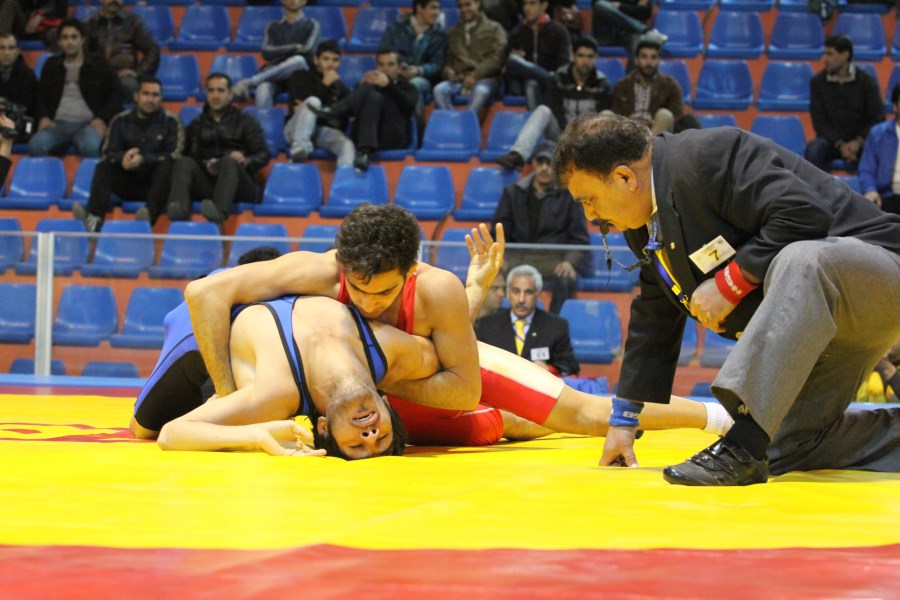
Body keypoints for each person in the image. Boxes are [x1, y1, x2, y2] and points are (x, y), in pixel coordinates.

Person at [555, 113, 900, 485]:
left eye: (589, 199)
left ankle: (741, 448)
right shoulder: (643, 224)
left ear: (625, 177)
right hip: (829, 324)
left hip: (877, 275)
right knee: (786, 445)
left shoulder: (708, 154)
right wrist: (624, 421)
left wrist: (730, 284)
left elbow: (805, 212)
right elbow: (655, 317)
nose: (590, 215)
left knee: (803, 259)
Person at [139, 253, 732, 457]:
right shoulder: (290, 392)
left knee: (573, 411)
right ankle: (722, 415)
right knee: (508, 423)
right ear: (316, 427)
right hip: (395, 382)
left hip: (388, 373)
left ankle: (721, 414)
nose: (370, 434)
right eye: (373, 442)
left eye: (360, 441)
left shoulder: (326, 278)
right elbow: (453, 366)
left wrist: (245, 421)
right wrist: (260, 434)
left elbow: (167, 431)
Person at [72, 76, 183, 232]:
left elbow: (175, 154)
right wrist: (123, 158)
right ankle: (94, 220)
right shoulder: (120, 120)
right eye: (146, 94)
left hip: (156, 185)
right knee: (104, 166)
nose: (150, 99)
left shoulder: (171, 121)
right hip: (127, 180)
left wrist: (143, 159)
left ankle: (147, 218)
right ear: (136, 96)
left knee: (168, 166)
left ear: (161, 98)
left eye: (155, 95)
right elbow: (107, 152)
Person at [492, 140, 590, 314]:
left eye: (549, 163)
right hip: (517, 259)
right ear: (534, 164)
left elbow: (579, 238)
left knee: (567, 277)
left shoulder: (570, 196)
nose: (544, 168)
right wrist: (501, 257)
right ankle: (497, 325)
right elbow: (498, 232)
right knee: (491, 275)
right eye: (540, 162)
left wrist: (569, 261)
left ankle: (555, 323)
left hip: (553, 260)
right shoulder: (513, 192)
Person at [166, 73, 270, 225]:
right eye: (211, 90)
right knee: (183, 162)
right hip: (209, 183)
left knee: (229, 161)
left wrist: (245, 160)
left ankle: (219, 212)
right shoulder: (196, 124)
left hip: (239, 185)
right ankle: (178, 209)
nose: (215, 96)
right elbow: (191, 157)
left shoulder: (246, 121)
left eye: (220, 90)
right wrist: (207, 165)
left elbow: (263, 154)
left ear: (230, 94)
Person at [496, 36, 610, 171]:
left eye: (590, 56)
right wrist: (569, 135)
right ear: (573, 56)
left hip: (590, 141)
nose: (585, 61)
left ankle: (609, 162)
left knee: (608, 114)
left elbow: (600, 120)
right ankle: (518, 156)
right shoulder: (558, 79)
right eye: (581, 56)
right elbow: (555, 109)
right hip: (561, 135)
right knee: (543, 110)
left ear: (596, 58)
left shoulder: (602, 84)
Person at [29, 18, 121, 158]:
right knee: (36, 145)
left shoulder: (99, 65)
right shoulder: (51, 65)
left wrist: (102, 119)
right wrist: (43, 117)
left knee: (92, 146)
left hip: (89, 124)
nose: (69, 42)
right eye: (65, 38)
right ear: (59, 42)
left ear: (82, 40)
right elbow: (41, 96)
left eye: (74, 37)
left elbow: (116, 94)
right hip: (57, 125)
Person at [313, 49, 418, 172]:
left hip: (392, 136)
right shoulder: (367, 86)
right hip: (366, 137)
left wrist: (389, 86)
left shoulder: (408, 87)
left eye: (390, 64)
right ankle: (364, 153)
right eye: (381, 64)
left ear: (399, 68)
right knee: (372, 95)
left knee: (373, 95)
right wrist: (361, 85)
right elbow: (352, 113)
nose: (385, 69)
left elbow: (409, 107)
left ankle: (335, 111)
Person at [476, 264, 579, 376]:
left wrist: (549, 369)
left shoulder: (556, 326)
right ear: (508, 293)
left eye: (528, 292)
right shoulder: (487, 325)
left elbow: (570, 366)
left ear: (538, 294)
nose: (521, 299)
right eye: (516, 291)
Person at [805, 34, 884, 172]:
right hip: (831, 142)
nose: (824, 59)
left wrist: (858, 142)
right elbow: (819, 122)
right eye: (824, 54)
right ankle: (809, 186)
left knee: (880, 149)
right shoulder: (817, 82)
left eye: (830, 54)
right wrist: (840, 145)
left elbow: (877, 119)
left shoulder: (866, 81)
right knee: (814, 148)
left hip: (860, 142)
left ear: (845, 55)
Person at [232, 0, 319, 109]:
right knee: (262, 89)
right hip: (277, 75)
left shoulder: (312, 24)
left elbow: (308, 50)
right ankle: (264, 120)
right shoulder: (273, 26)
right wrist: (295, 47)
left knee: (298, 60)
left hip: (301, 76)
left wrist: (279, 53)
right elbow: (266, 52)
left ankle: (250, 82)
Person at [283, 38, 354, 166]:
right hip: (295, 128)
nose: (330, 64)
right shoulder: (300, 76)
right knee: (313, 101)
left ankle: (344, 178)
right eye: (326, 59)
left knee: (347, 145)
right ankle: (299, 149)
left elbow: (343, 118)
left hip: (321, 131)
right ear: (316, 60)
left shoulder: (341, 87)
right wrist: (325, 84)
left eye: (335, 60)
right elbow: (300, 110)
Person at [432, 0, 506, 117]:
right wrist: (448, 71)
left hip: (485, 78)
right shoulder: (453, 33)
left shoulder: (495, 29)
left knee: (480, 91)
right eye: (460, 6)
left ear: (478, 3)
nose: (464, 9)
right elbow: (448, 60)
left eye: (468, 5)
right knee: (439, 90)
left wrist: (475, 75)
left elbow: (497, 59)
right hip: (459, 79)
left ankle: (465, 123)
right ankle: (453, 122)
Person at [378, 0, 446, 122]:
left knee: (415, 84)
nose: (437, 12)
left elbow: (438, 65)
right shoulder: (396, 27)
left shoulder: (439, 34)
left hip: (422, 79)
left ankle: (416, 129)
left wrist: (419, 70)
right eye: (433, 8)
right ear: (420, 8)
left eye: (438, 8)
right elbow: (383, 52)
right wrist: (398, 69)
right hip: (395, 74)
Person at [83, 0, 159, 100]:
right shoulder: (90, 24)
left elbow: (153, 50)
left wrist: (137, 72)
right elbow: (83, 54)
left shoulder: (133, 22)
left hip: (124, 77)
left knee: (130, 86)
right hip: (98, 75)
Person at [503, 0, 571, 110]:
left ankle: (549, 80)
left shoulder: (559, 31)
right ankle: (549, 80)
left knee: (530, 81)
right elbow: (507, 67)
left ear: (544, 5)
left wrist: (555, 73)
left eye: (532, 3)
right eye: (525, 4)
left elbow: (565, 64)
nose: (527, 8)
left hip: (552, 83)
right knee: (515, 64)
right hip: (523, 83)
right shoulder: (517, 33)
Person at [608, 40, 682, 135]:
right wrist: (629, 121)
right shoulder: (621, 86)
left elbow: (677, 118)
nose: (648, 62)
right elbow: (615, 116)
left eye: (653, 57)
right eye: (644, 57)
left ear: (659, 60)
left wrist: (654, 122)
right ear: (636, 60)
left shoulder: (670, 86)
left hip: (656, 132)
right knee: (607, 115)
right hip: (627, 132)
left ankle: (650, 144)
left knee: (664, 114)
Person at [857, 83, 900, 216]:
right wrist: (870, 189)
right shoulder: (878, 134)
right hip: (886, 198)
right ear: (895, 106)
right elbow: (866, 169)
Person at [591, 0, 666, 72]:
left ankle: (632, 78)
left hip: (628, 33)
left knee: (637, 44)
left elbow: (644, 12)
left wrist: (620, 5)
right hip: (606, 34)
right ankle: (645, 30)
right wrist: (631, 8)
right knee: (600, 5)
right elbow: (598, 5)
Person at [0, 32, 37, 141]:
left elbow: (29, 107)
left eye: (11, 48)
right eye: (2, 48)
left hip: (18, 126)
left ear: (18, 51)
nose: (6, 53)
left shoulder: (28, 75)